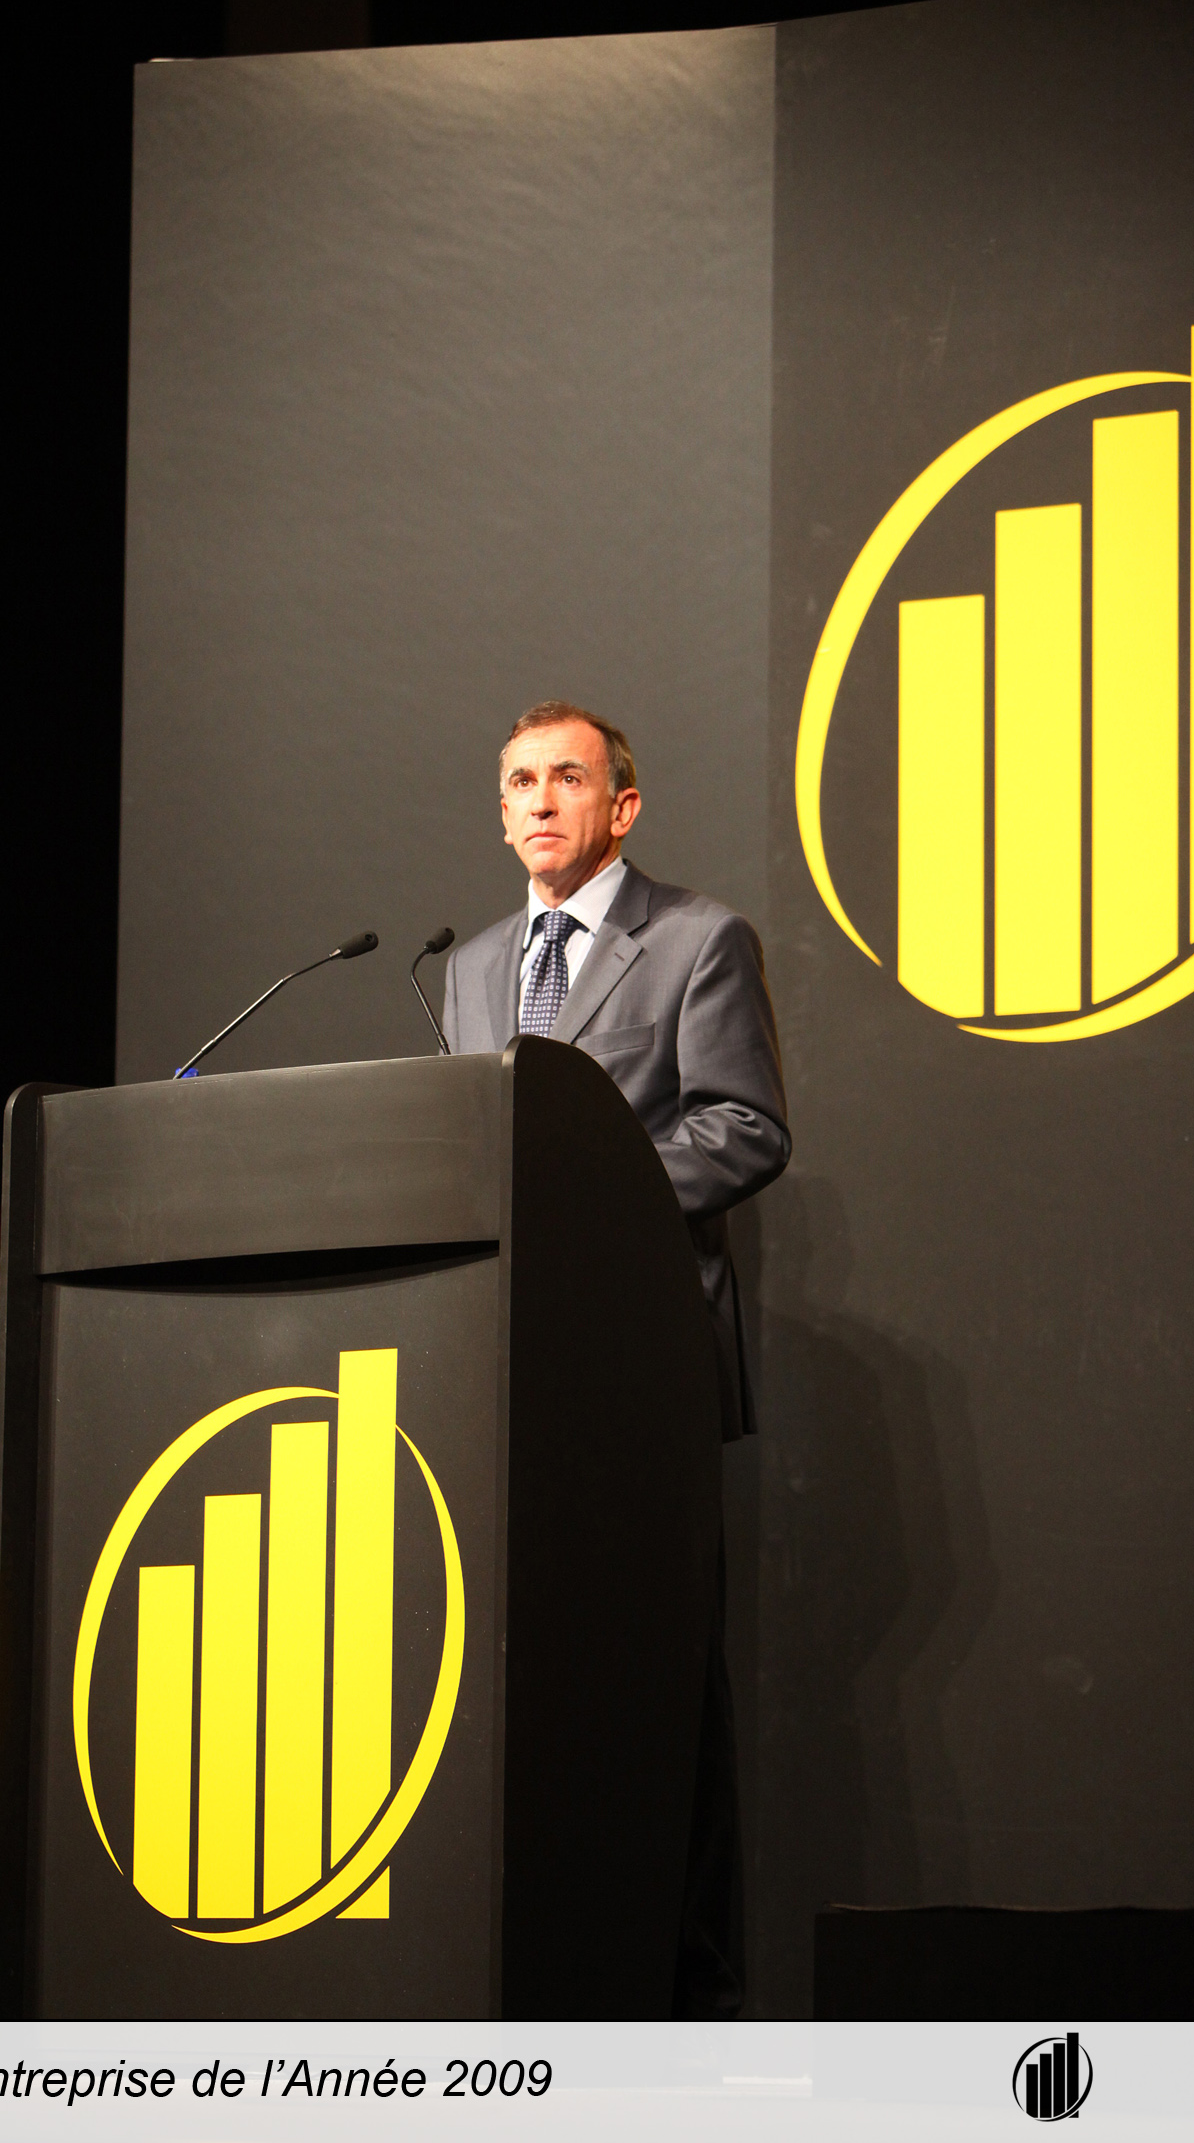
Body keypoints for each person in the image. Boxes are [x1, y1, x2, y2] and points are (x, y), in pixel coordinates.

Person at [442, 699, 790, 2017]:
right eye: (519, 782)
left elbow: (745, 1126)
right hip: (504, 1376)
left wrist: (591, 1179)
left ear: (621, 807)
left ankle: (688, 2006)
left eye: (567, 778)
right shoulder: (475, 968)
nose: (539, 801)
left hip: (642, 1372)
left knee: (654, 1699)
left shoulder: (697, 939)